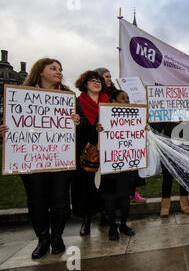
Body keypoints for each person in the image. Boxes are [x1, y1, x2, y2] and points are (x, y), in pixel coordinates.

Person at [0, 58, 80, 259]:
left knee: (61, 201)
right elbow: (13, 123)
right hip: (32, 159)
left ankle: (57, 237)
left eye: (60, 69)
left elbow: (84, 123)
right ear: (40, 71)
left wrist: (77, 121)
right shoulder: (21, 95)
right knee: (37, 201)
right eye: (53, 68)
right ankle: (42, 239)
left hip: (60, 159)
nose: (58, 71)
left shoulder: (68, 97)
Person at [72, 70, 110, 236]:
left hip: (106, 149)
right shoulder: (77, 103)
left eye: (99, 81)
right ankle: (86, 220)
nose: (97, 83)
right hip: (85, 151)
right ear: (85, 84)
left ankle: (105, 215)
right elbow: (75, 127)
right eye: (93, 80)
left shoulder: (108, 101)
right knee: (86, 186)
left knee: (105, 185)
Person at [96, 90, 136, 240]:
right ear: (113, 101)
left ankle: (124, 224)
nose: (126, 101)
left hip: (126, 163)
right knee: (110, 198)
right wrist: (97, 130)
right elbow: (93, 138)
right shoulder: (103, 116)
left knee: (125, 196)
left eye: (127, 98)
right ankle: (112, 227)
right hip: (110, 164)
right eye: (122, 98)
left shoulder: (133, 117)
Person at [151, 121, 189, 218]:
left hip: (184, 149)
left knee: (183, 178)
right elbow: (156, 128)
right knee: (167, 178)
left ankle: (184, 205)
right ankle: (165, 207)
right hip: (167, 150)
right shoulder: (166, 111)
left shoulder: (188, 114)